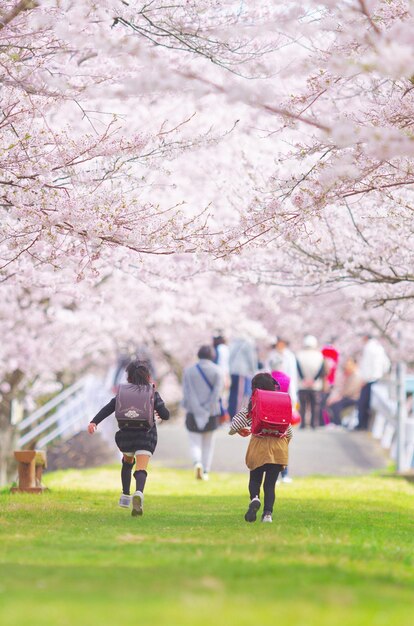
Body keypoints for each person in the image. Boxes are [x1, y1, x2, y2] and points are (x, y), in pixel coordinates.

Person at [87, 360, 170, 516]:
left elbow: (108, 408)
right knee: (141, 468)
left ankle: (125, 495)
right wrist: (159, 411)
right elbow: (165, 414)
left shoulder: (122, 393)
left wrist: (94, 422)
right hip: (146, 435)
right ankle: (138, 492)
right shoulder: (152, 393)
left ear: (129, 377)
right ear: (147, 377)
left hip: (126, 436)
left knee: (127, 463)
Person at [228, 372, 293, 523]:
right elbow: (289, 432)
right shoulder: (281, 404)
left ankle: (255, 499)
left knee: (255, 480)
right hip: (278, 449)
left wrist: (239, 430)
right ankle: (267, 515)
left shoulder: (252, 406)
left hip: (258, 446)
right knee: (270, 485)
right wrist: (282, 443)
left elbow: (232, 427)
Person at [182, 345, 224, 480]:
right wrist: (206, 408)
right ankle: (205, 471)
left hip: (192, 412)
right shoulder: (218, 371)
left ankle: (197, 463)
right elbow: (217, 393)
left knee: (194, 442)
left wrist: (197, 408)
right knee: (208, 444)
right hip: (211, 412)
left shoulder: (188, 371)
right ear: (212, 355)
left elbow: (188, 393)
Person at [267, 337, 298, 483]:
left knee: (271, 442)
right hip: (283, 411)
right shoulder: (286, 379)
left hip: (270, 412)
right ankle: (284, 474)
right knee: (283, 442)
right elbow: (291, 391)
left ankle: (275, 475)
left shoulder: (268, 379)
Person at [356, 335, 391, 430]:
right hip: (378, 379)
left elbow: (366, 365)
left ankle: (362, 424)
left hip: (369, 380)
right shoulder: (379, 347)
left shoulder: (368, 348)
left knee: (363, 403)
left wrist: (364, 378)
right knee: (373, 404)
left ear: (366, 338)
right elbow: (386, 364)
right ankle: (367, 425)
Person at [296, 335, 325, 429]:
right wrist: (314, 379)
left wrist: (304, 379)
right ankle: (313, 424)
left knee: (303, 405)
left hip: (302, 384)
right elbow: (321, 369)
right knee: (315, 406)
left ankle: (303, 423)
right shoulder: (319, 355)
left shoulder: (299, 354)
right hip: (315, 385)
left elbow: (298, 368)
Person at [228, 336, 258, 417]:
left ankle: (231, 414)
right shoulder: (248, 343)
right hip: (242, 372)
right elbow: (251, 359)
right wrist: (254, 371)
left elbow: (230, 358)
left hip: (233, 371)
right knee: (240, 395)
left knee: (233, 394)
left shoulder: (233, 343)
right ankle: (236, 416)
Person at [326, 356, 362, 425]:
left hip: (353, 398)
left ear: (354, 365)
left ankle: (337, 423)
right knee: (333, 404)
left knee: (336, 405)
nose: (347, 367)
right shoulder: (350, 375)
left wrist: (338, 397)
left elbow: (350, 391)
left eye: (349, 365)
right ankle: (335, 422)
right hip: (347, 397)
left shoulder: (357, 375)